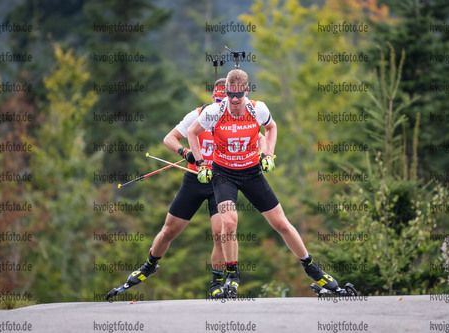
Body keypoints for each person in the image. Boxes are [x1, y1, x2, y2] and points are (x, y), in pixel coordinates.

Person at [187, 69, 341, 298]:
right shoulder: (215, 111)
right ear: (227, 92)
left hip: (251, 172)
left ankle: (312, 268)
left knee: (281, 224)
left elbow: (271, 127)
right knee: (228, 222)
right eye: (230, 94)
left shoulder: (257, 109)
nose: (235, 100)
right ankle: (232, 275)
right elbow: (192, 132)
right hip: (223, 174)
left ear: (246, 90)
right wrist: (200, 163)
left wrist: (268, 154)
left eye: (239, 94)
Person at [107, 79, 230, 301]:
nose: (219, 106)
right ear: (212, 98)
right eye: (216, 100)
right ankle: (150, 265)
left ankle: (216, 283)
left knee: (221, 235)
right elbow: (169, 138)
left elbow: (257, 139)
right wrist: (186, 153)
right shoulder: (198, 115)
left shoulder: (235, 119)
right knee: (169, 230)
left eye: (223, 102)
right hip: (195, 179)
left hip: (221, 183)